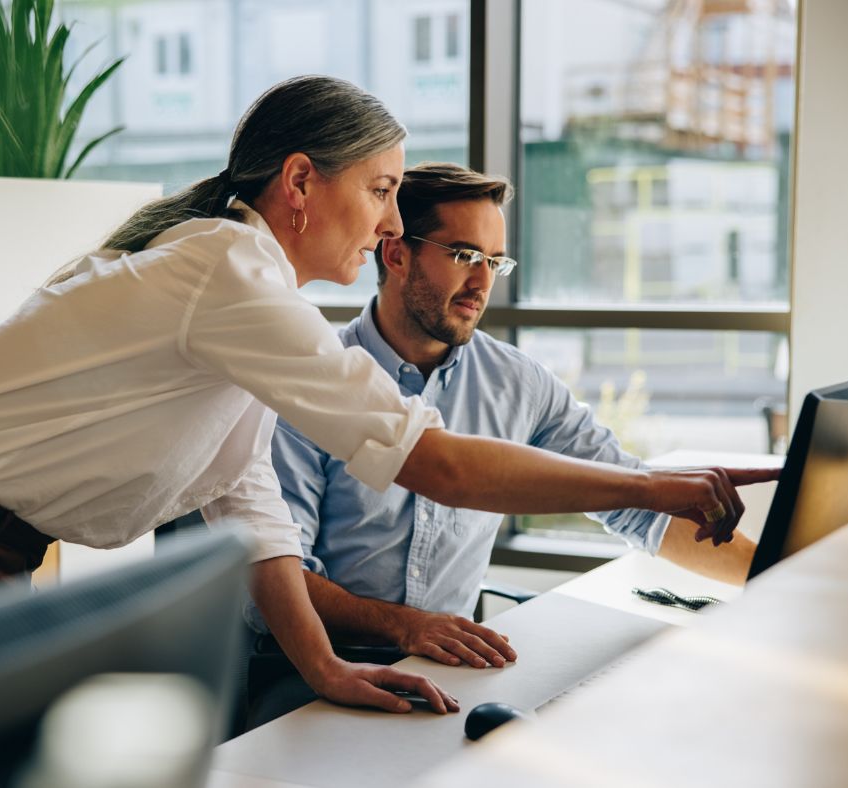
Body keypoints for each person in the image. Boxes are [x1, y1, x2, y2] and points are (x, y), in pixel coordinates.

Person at [0, 76, 775, 717]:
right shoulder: (229, 276)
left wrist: (326, 669)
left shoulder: (248, 300)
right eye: (381, 188)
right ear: (302, 181)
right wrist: (659, 489)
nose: (389, 219)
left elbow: (246, 503)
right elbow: (435, 463)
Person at [246, 164, 759, 698]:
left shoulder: (518, 383)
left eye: (495, 261)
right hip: (313, 666)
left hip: (451, 667)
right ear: (396, 254)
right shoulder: (311, 380)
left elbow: (634, 502)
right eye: (465, 256)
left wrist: (770, 578)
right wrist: (407, 625)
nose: (483, 283)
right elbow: (282, 573)